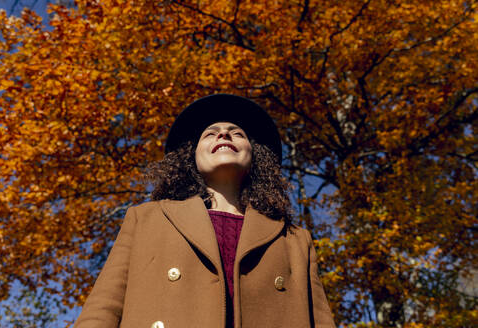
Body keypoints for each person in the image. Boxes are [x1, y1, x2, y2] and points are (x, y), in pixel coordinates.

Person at [74, 94, 336, 328]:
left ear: (256, 155)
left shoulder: (295, 240)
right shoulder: (145, 219)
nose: (223, 134)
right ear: (191, 158)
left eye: (237, 133)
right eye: (210, 133)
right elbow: (103, 307)